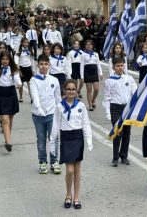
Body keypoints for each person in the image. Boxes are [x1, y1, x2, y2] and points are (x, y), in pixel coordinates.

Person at [50, 79, 93, 209]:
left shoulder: (80, 106)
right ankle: (68, 194)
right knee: (69, 170)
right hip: (66, 138)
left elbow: (85, 124)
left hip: (78, 137)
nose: (71, 91)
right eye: (68, 89)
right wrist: (52, 142)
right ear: (64, 90)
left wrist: (89, 139)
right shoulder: (59, 106)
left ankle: (76, 197)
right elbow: (56, 125)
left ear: (76, 91)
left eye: (73, 89)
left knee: (77, 169)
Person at [102, 57, 137, 167]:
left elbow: (135, 93)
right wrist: (108, 112)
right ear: (113, 68)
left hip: (127, 108)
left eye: (122, 65)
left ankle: (124, 156)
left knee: (127, 133)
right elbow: (107, 98)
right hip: (115, 109)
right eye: (118, 66)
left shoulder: (129, 79)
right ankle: (115, 157)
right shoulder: (109, 81)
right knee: (117, 133)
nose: (120, 67)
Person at [30, 54, 62, 174]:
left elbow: (58, 98)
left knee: (54, 138)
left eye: (46, 64)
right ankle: (43, 162)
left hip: (52, 113)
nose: (43, 66)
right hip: (38, 115)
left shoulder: (54, 80)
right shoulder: (34, 80)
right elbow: (35, 96)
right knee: (41, 139)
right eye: (41, 64)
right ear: (38, 65)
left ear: (49, 65)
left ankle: (54, 162)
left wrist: (61, 112)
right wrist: (39, 108)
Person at [0, 50, 22, 152]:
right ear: (0, 60)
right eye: (3, 59)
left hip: (11, 94)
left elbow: (17, 80)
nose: (5, 61)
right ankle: (8, 142)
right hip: (1, 95)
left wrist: (19, 84)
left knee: (10, 118)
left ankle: (8, 137)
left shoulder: (13, 69)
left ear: (10, 60)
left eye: (7, 59)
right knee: (5, 120)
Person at [80, 40, 102, 111]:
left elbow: (98, 64)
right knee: (89, 90)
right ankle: (90, 105)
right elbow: (82, 66)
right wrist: (82, 76)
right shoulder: (83, 54)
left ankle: (93, 100)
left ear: (92, 46)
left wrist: (100, 73)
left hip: (94, 72)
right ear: (85, 46)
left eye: (90, 44)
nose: (89, 46)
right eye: (87, 44)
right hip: (87, 72)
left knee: (96, 89)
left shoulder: (96, 54)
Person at [14, 38, 35, 102]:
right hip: (21, 68)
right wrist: (18, 67)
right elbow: (16, 58)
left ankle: (32, 98)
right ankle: (20, 97)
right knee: (21, 83)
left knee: (29, 84)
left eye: (27, 42)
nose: (26, 44)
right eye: (25, 42)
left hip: (28, 67)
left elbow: (32, 60)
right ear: (22, 43)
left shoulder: (30, 49)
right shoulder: (19, 50)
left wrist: (33, 70)